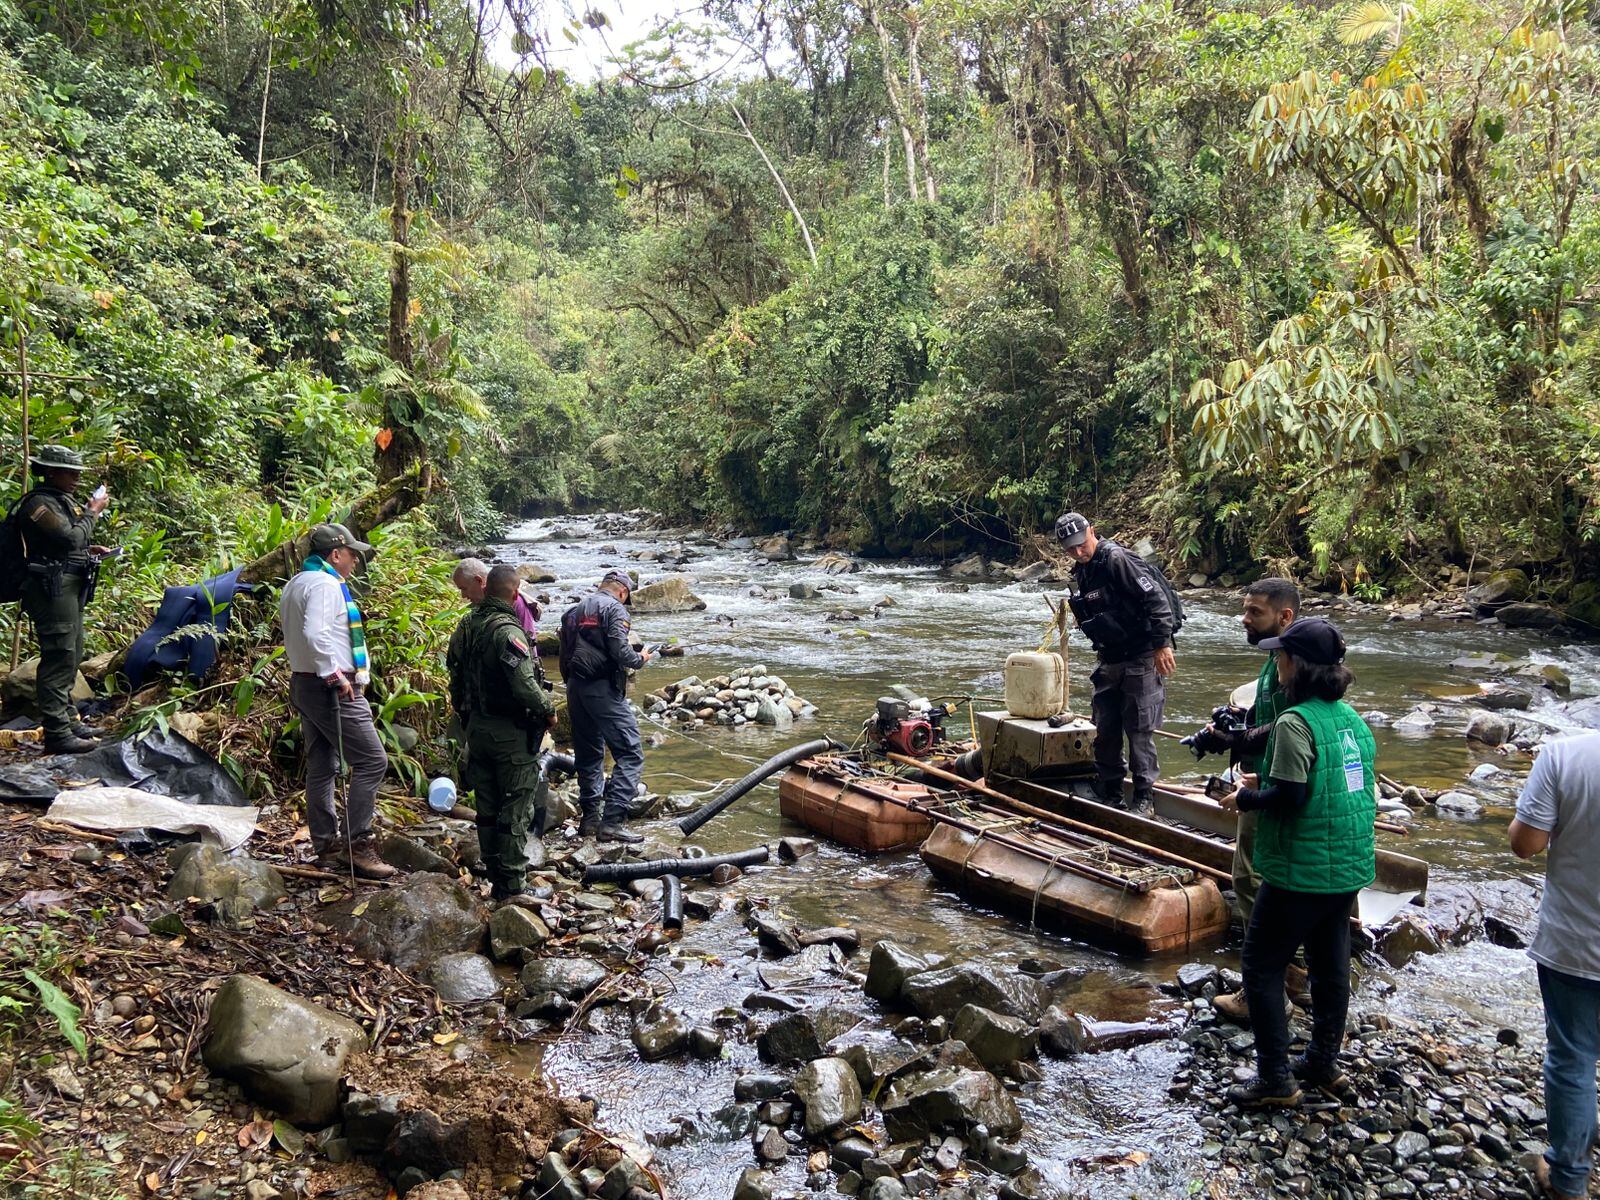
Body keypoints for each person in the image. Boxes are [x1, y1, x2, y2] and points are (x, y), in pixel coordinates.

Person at [1218, 617, 1375, 1108]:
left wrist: (1245, 800)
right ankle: (1324, 1064)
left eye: (1281, 655)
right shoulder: (1352, 720)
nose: (1276, 662)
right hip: (1348, 865)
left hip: (1300, 867)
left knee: (1261, 964)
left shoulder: (1294, 721)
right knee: (1330, 966)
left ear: (1297, 666)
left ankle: (1275, 1080)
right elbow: (1331, 787)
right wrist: (1261, 785)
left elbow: (1290, 794)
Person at [1190, 577, 1309, 1021]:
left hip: (1275, 784)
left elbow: (1285, 726)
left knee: (1253, 880)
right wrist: (1234, 720)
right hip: (1264, 775)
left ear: (1285, 617)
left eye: (1254, 612)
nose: (1244, 618)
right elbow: (1267, 716)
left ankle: (1266, 988)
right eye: (1244, 609)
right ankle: (1293, 974)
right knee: (1252, 877)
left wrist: (1232, 737)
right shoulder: (1271, 655)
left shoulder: (1292, 661)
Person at [1508, 732, 1600, 1200]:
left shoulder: (1566, 754)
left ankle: (1568, 1180)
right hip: (1575, 944)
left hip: (1577, 944)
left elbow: (1526, 844)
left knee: (1573, 1059)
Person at [279, 522, 395, 880]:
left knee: (322, 764)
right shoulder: (328, 585)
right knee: (373, 761)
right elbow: (315, 633)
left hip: (303, 682)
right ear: (334, 554)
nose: (355, 563)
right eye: (351, 555)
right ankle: (357, 845)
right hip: (330, 687)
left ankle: (327, 845)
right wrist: (335, 674)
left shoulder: (296, 583)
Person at [1056, 511, 1175, 811]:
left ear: (1092, 532)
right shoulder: (1084, 571)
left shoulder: (1116, 559)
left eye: (1081, 544)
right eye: (1070, 548)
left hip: (1140, 658)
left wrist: (1162, 645)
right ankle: (1111, 791)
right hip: (1109, 658)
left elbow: (1156, 600)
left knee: (1139, 730)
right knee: (1105, 729)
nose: (1078, 552)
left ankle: (1144, 796)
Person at [460, 564, 556, 899]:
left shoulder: (466, 624)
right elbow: (525, 685)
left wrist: (465, 719)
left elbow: (455, 677)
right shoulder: (508, 632)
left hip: (476, 729)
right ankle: (513, 885)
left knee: (486, 807)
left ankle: (494, 873)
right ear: (515, 593)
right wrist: (548, 709)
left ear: (486, 589)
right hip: (510, 734)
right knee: (516, 808)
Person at [16, 445, 111, 753]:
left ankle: (68, 719)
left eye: (78, 474)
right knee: (59, 655)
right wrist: (92, 512)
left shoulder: (59, 502)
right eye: (71, 473)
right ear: (51, 472)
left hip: (67, 587)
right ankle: (57, 733)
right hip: (50, 589)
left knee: (72, 653)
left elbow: (68, 543)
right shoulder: (38, 504)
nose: (76, 479)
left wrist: (88, 550)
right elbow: (69, 537)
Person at [559, 569, 655, 843]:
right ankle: (612, 822)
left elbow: (565, 651)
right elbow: (619, 651)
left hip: (575, 687)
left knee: (589, 754)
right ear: (622, 592)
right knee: (630, 753)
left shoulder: (575, 610)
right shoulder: (615, 609)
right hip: (601, 687)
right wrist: (641, 659)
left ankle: (590, 821)